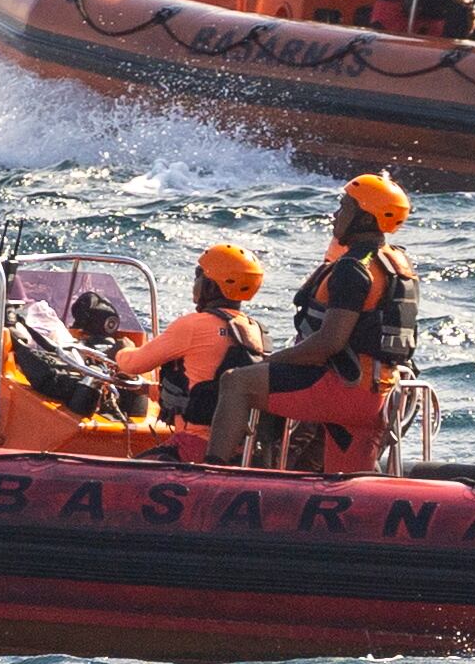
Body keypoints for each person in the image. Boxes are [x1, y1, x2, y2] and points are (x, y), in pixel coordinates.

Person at [202, 172, 419, 474]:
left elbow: (328, 344)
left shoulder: (352, 269)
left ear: (365, 218)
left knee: (236, 382)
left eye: (345, 207)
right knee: (349, 479)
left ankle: (210, 474)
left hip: (344, 390)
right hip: (379, 393)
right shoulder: (396, 264)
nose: (336, 215)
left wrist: (271, 360)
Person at [110, 244, 268, 460]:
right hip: (236, 449)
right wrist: (150, 390)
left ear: (212, 287)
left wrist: (120, 350)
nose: (195, 283)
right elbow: (206, 385)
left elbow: (132, 365)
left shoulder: (193, 326)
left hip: (193, 444)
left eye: (198, 276)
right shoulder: (255, 331)